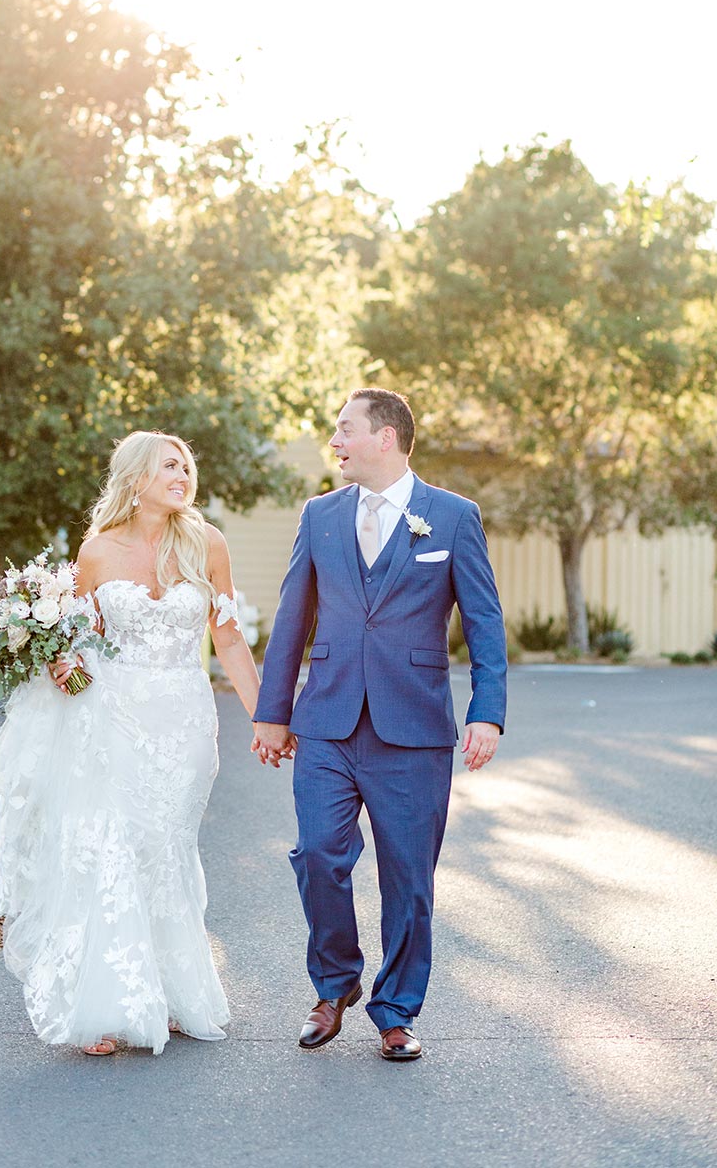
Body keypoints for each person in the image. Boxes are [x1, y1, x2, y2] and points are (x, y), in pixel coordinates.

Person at [0, 431, 260, 1056]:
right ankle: (107, 1005)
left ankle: (172, 993)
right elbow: (77, 643)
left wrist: (268, 717)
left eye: (186, 465)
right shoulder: (97, 551)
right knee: (115, 848)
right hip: (112, 721)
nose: (183, 474)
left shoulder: (207, 543)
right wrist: (60, 664)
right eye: (169, 465)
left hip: (184, 721)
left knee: (167, 848)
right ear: (136, 478)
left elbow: (230, 639)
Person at [252, 387, 507, 1062]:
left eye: (345, 430)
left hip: (415, 728)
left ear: (385, 437)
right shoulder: (320, 516)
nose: (334, 442)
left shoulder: (452, 518)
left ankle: (396, 1011)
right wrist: (273, 713)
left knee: (410, 880)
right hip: (328, 723)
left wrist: (488, 713)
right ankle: (334, 984)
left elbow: (483, 622)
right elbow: (292, 620)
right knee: (317, 857)